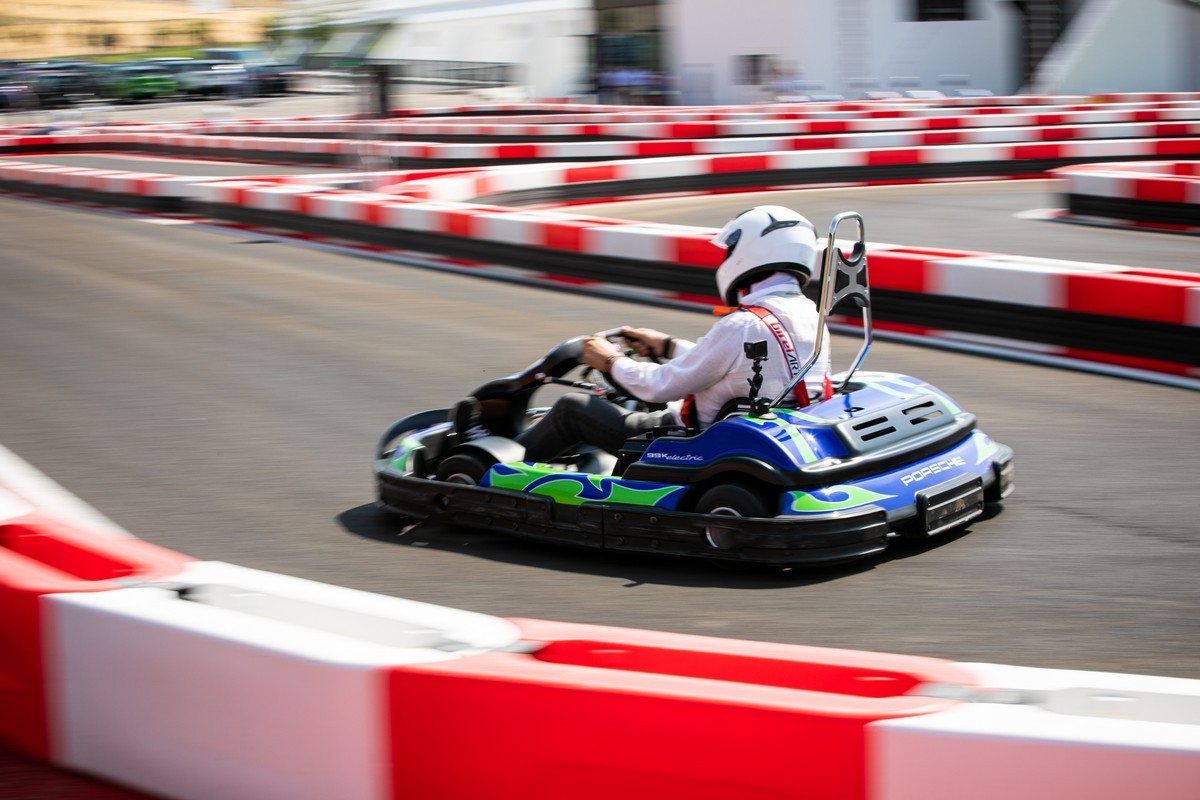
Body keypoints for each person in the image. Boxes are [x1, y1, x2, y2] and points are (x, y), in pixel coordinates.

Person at [513, 204, 832, 463]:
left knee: (573, 407)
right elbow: (731, 366)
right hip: (761, 434)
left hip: (689, 440)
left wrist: (610, 360)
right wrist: (667, 345)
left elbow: (659, 386)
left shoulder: (743, 324)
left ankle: (496, 471)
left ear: (751, 251)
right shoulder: (811, 317)